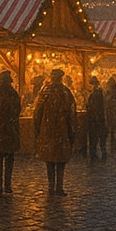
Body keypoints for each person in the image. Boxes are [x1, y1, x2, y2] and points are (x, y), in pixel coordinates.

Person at [33, 68, 77, 196]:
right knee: (60, 161)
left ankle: (51, 186)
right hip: (62, 131)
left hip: (47, 131)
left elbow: (37, 113)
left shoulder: (44, 92)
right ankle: (59, 186)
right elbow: (72, 114)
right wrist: (71, 131)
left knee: (50, 161)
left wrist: (38, 129)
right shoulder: (65, 92)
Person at [85, 76, 107, 163]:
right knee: (99, 139)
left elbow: (95, 107)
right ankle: (98, 155)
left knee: (95, 139)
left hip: (95, 119)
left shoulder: (96, 93)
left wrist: (90, 109)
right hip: (97, 119)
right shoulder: (98, 92)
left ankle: (95, 156)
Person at [104, 76, 116, 156]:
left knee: (114, 131)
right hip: (110, 114)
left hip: (114, 113)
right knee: (112, 131)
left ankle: (114, 147)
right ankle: (112, 147)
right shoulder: (108, 92)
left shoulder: (115, 92)